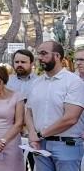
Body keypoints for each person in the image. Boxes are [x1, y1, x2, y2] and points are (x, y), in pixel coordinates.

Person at [26, 41, 84, 171]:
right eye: (38, 54)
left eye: (43, 53)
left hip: (66, 145)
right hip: (40, 146)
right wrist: (31, 134)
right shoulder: (36, 83)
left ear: (57, 56)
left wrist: (40, 134)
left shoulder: (74, 82)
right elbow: (28, 112)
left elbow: (71, 118)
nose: (39, 57)